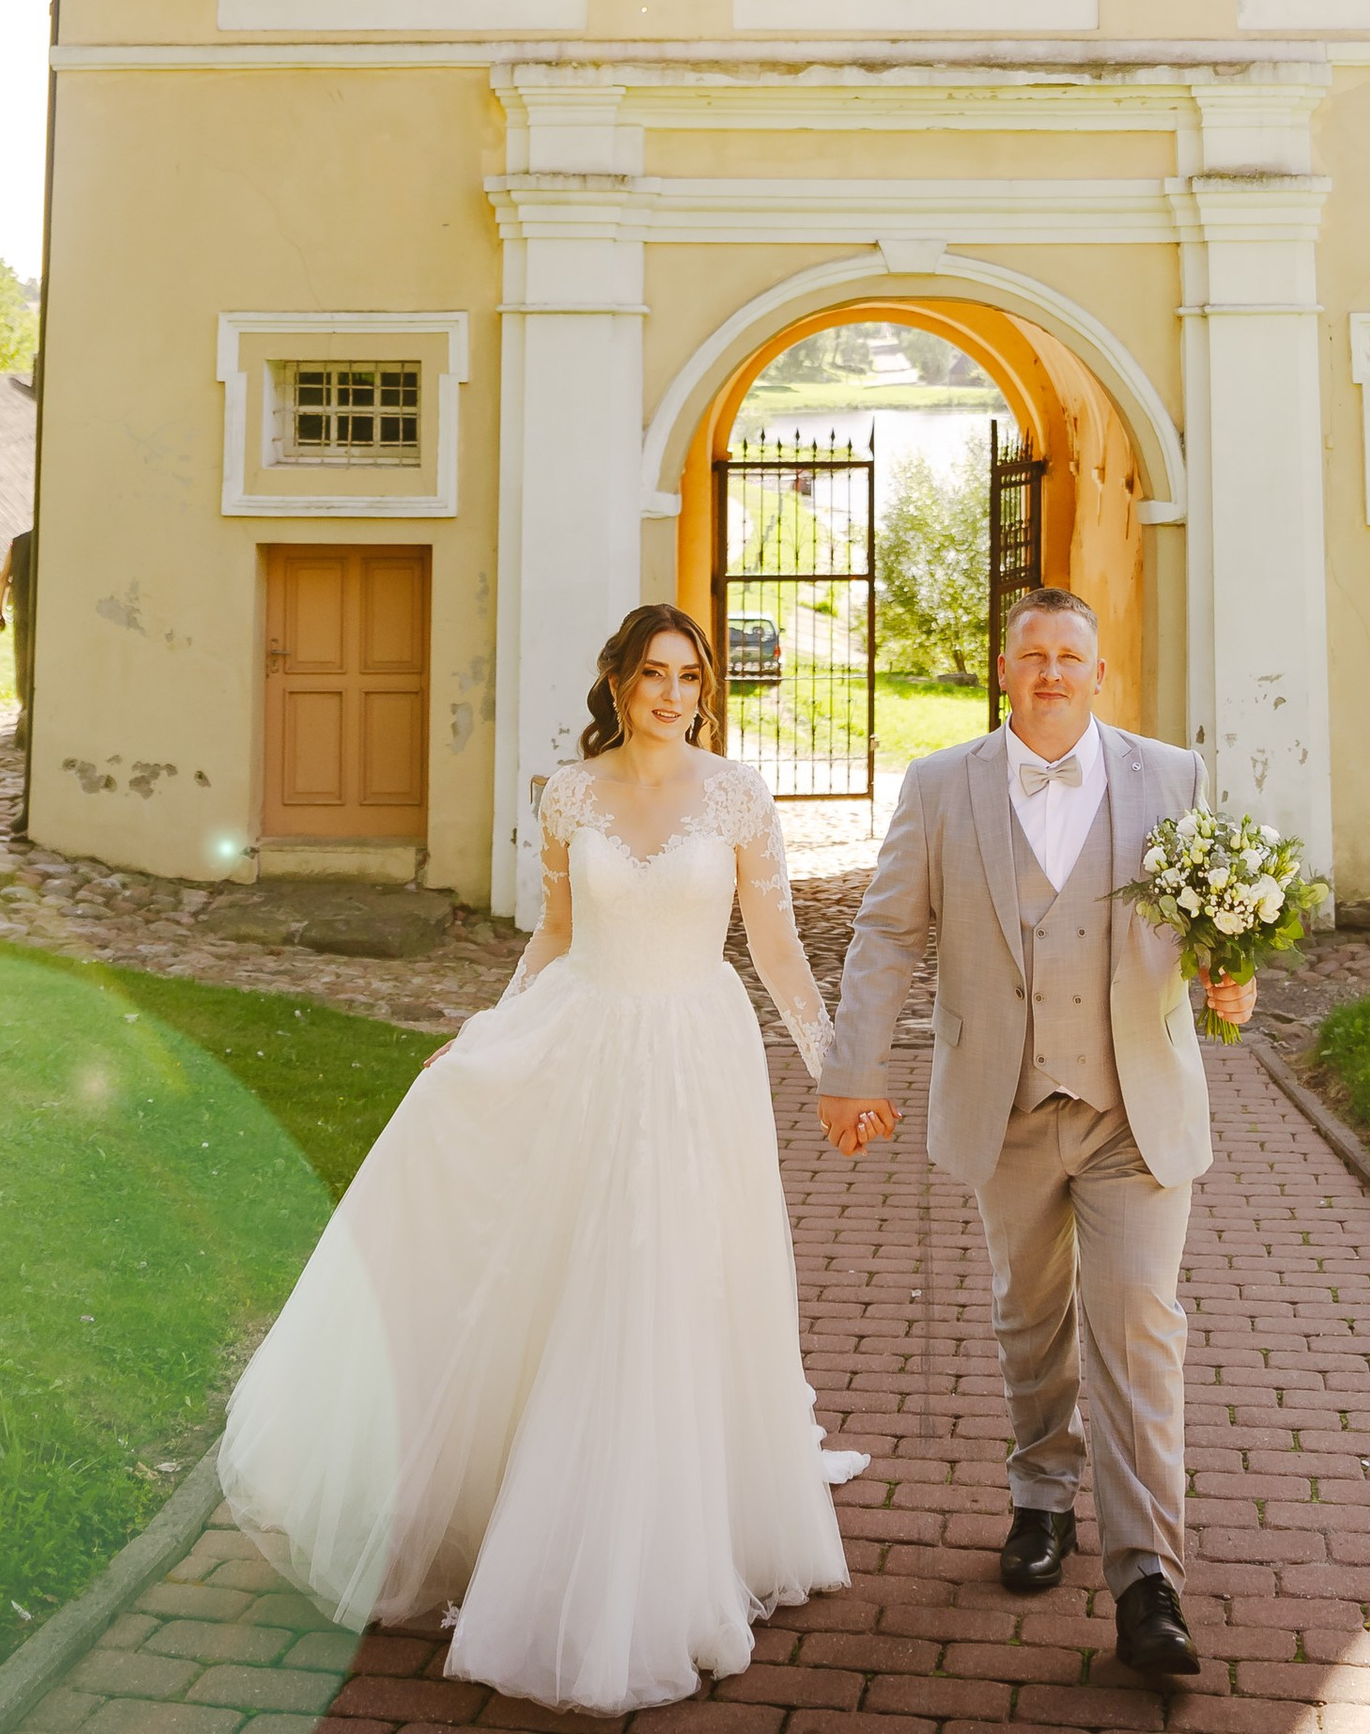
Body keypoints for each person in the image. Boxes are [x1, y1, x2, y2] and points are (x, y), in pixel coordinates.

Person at [218, 603, 857, 1715]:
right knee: (589, 1280)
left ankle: (674, 1534)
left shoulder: (738, 794)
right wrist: (497, 1023)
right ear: (614, 679)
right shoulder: (568, 794)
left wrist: (832, 1063)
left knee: (680, 1280)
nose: (672, 690)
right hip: (586, 1047)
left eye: (688, 673)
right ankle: (561, 1527)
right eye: (652, 671)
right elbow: (557, 928)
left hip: (698, 1056)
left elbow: (774, 939)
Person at [818, 585, 1252, 1683]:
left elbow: (1214, 920)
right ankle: (1037, 1496)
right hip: (1003, 1103)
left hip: (1132, 1112)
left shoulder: (1172, 776)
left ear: (1098, 672)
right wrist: (854, 1067)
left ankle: (1147, 1574)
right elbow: (884, 930)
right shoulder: (939, 784)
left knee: (1139, 1327)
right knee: (1028, 1314)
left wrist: (1230, 974)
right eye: (1033, 654)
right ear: (1003, 669)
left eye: (1071, 654)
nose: (1052, 670)